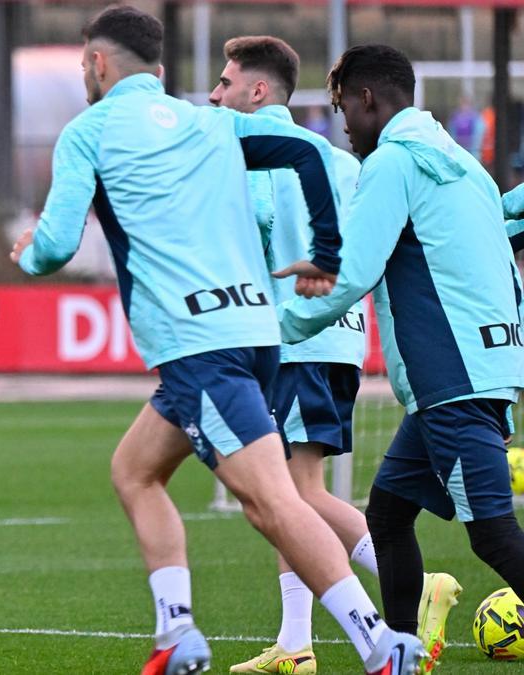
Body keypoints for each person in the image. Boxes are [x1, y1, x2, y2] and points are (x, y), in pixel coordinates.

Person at [10, 7, 423, 674]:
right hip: (252, 332)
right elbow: (301, 152)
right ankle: (176, 631)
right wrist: (325, 249)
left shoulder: (89, 130)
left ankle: (380, 644)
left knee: (275, 502)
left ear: (97, 63)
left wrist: (27, 252)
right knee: (135, 471)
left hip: (201, 342)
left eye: (84, 61)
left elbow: (57, 243)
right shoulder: (210, 121)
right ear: (160, 68)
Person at [208, 36, 461, 674]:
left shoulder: (260, 153)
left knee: (289, 495)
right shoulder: (345, 159)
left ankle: (416, 582)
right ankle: (295, 644)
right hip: (338, 338)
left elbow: (255, 229)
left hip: (298, 341)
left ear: (257, 92)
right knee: (287, 492)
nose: (215, 94)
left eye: (225, 82)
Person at [280, 42, 524, 669]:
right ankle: (396, 652)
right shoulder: (457, 161)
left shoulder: (392, 164)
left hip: (454, 379)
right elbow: (499, 225)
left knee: (493, 534)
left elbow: (354, 271)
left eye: (343, 109)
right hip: (469, 373)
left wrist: (279, 330)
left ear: (367, 99)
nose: (344, 127)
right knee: (386, 515)